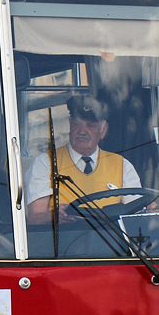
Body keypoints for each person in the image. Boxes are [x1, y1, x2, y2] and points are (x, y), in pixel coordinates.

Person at [24, 94, 142, 224]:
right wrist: (54, 215)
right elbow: (34, 218)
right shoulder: (46, 163)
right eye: (77, 124)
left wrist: (148, 211)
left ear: (103, 130)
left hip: (111, 242)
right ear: (70, 124)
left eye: (90, 126)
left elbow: (135, 217)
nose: (82, 131)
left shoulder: (122, 166)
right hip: (64, 241)